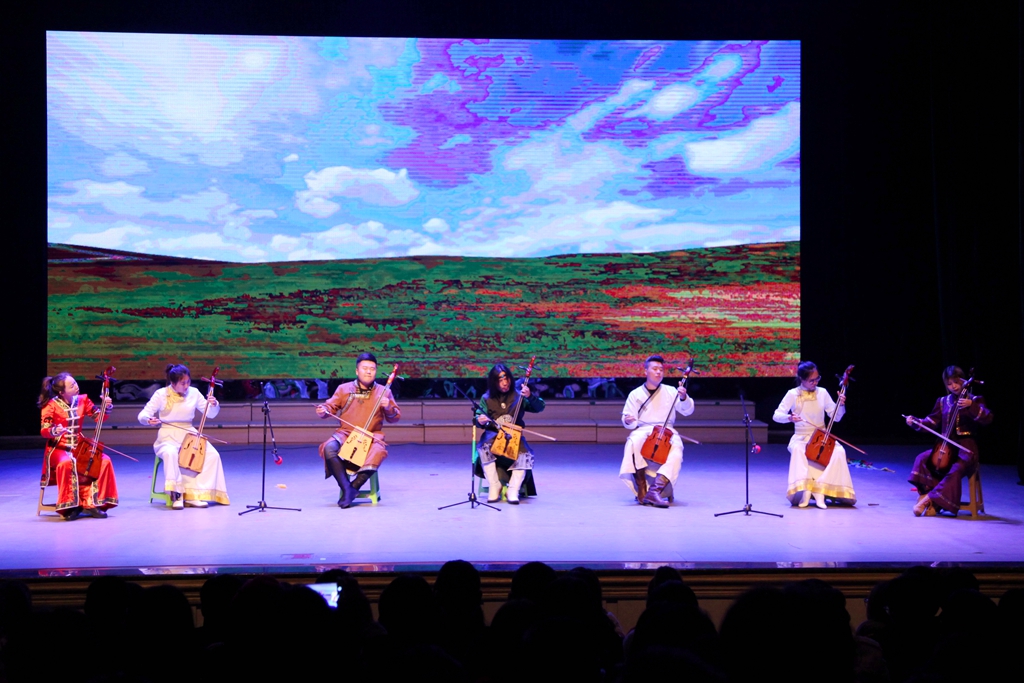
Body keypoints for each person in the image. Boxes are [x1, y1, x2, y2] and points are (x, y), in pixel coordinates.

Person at [137, 364, 230, 509]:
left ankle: (195, 494)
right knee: (171, 453)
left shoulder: (194, 392)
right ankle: (177, 494)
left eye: (188, 382)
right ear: (173, 383)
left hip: (190, 435)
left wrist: (213, 404)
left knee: (212, 455)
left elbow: (210, 414)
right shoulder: (161, 394)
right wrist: (148, 420)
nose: (186, 386)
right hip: (167, 436)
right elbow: (142, 415)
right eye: (182, 383)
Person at [316, 352, 401, 508]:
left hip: (372, 436)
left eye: (372, 369)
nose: (368, 372)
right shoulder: (343, 389)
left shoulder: (384, 392)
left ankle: (354, 487)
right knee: (329, 447)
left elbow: (395, 417)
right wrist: (323, 410)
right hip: (346, 433)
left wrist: (388, 407)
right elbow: (330, 407)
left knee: (378, 453)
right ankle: (346, 488)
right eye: (365, 368)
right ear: (357, 371)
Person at [906, 366, 992, 516]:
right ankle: (931, 500)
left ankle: (928, 500)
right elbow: (931, 422)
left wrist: (972, 406)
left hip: (966, 450)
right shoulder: (942, 402)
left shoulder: (974, 400)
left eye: (956, 382)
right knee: (922, 459)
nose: (954, 386)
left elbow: (987, 418)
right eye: (949, 384)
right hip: (945, 448)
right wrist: (915, 422)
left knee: (955, 469)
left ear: (963, 381)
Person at [773, 361, 856, 508]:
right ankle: (805, 491)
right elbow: (776, 415)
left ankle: (820, 490)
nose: (815, 382)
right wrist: (789, 418)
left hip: (821, 436)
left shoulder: (822, 392)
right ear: (802, 379)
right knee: (799, 450)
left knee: (839, 451)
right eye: (811, 380)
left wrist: (841, 404)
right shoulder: (793, 394)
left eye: (817, 379)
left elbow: (836, 417)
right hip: (801, 437)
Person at [38, 372, 118, 519]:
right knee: (67, 463)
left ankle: (92, 503)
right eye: (71, 386)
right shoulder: (50, 405)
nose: (76, 386)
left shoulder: (83, 400)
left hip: (79, 445)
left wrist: (106, 407)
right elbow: (44, 430)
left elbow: (99, 418)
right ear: (62, 392)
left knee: (103, 461)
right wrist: (55, 430)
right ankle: (71, 507)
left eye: (75, 383)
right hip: (59, 447)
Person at [619, 355, 694, 508]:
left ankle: (655, 490)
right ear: (646, 371)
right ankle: (641, 488)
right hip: (643, 429)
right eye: (654, 369)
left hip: (667, 430)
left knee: (677, 448)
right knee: (633, 442)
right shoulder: (635, 394)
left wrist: (683, 397)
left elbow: (687, 411)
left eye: (661, 369)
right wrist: (628, 420)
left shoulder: (671, 391)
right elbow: (628, 418)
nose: (658, 372)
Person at [474, 363, 544, 504]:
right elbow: (478, 417)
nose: (505, 383)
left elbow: (539, 407)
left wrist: (530, 396)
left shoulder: (519, 395)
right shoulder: (486, 398)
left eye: (507, 379)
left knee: (526, 455)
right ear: (493, 382)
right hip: (493, 436)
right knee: (483, 448)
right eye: (500, 380)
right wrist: (480, 420)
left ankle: (513, 489)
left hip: (514, 438)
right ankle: (495, 485)